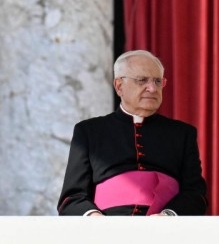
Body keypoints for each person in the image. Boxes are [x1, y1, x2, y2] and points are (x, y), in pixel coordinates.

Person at [57, 50, 208, 216]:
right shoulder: (89, 131)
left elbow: (196, 194)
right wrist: (95, 219)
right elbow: (71, 198)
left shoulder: (182, 133)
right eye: (142, 80)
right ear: (119, 86)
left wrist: (169, 216)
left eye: (158, 81)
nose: (152, 88)